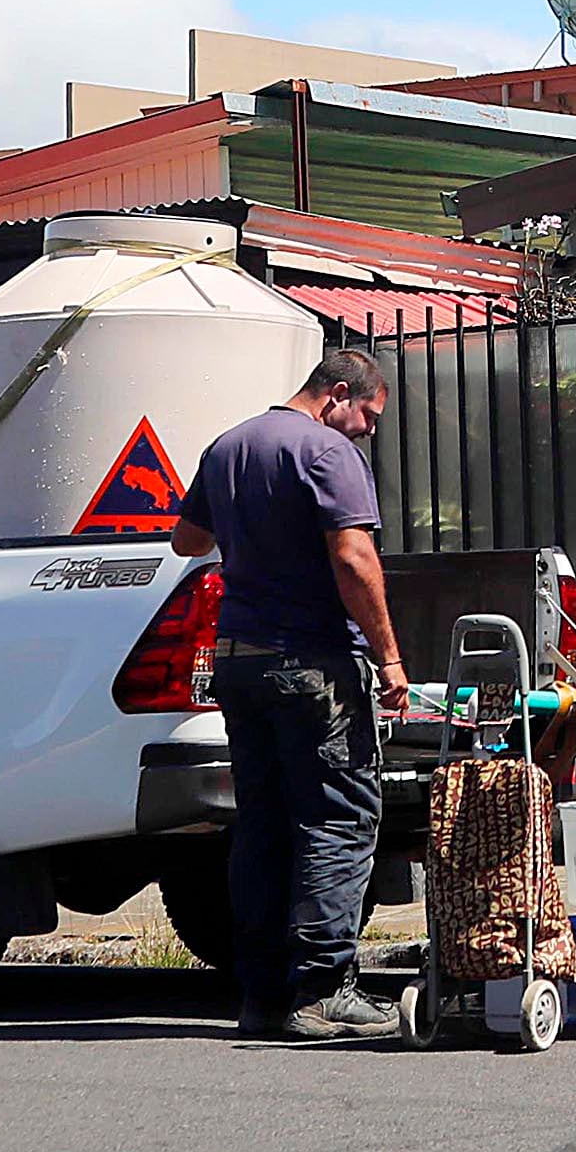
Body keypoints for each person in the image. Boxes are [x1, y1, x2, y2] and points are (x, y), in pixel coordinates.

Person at [173, 345, 409, 1040]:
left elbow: (188, 538)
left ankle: (264, 996)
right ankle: (323, 988)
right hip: (310, 663)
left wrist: (254, 533)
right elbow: (353, 555)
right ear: (338, 393)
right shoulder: (328, 454)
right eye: (367, 413)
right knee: (338, 817)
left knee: (264, 823)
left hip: (238, 662)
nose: (368, 429)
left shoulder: (228, 446)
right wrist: (390, 656)